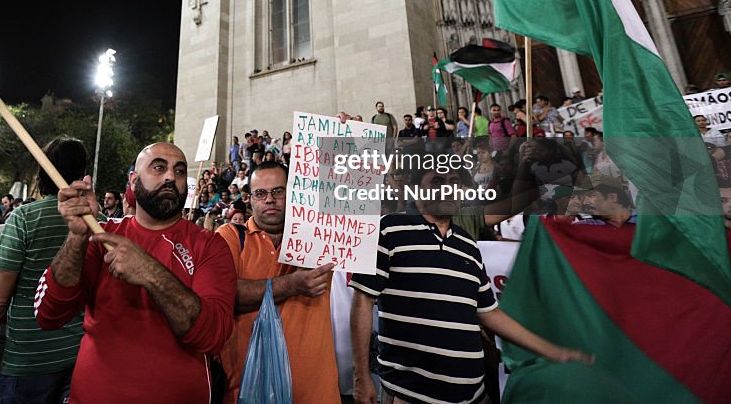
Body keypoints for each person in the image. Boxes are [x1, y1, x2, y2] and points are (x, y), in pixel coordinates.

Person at [349, 167, 593, 404]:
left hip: (474, 394)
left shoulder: (468, 245)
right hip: (411, 394)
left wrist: (554, 353)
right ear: (415, 190)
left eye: (454, 182)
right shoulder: (389, 228)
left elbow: (490, 314)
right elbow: (363, 300)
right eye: (436, 181)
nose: (448, 189)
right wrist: (361, 375)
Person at [34, 142, 236, 403]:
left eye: (179, 171)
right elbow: (49, 315)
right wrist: (77, 235)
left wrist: (150, 272)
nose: (170, 177)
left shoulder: (210, 245)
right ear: (133, 180)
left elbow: (213, 336)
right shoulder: (102, 235)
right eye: (159, 167)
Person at [0, 137, 90, 404]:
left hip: (29, 361)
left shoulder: (24, 218)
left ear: (43, 170)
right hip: (80, 357)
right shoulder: (99, 223)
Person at [216, 163, 339, 403]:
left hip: (316, 393)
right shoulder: (229, 236)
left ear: (294, 193)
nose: (270, 199)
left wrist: (348, 140)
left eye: (278, 191)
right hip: (246, 391)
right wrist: (292, 284)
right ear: (249, 199)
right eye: (260, 193)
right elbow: (226, 295)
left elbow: (346, 188)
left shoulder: (321, 237)